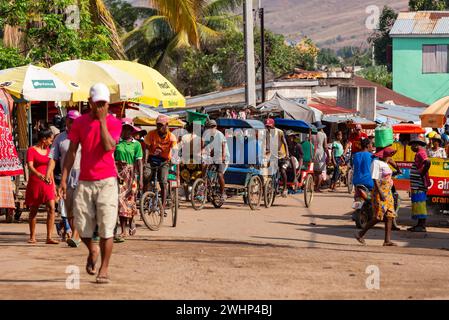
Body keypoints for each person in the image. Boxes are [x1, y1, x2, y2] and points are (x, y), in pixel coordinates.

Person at [60, 83, 122, 284]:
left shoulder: (114, 123)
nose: (101, 107)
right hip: (85, 181)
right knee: (81, 224)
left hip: (107, 181)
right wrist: (63, 177)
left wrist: (103, 122)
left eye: (104, 103)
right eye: (97, 104)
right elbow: (71, 152)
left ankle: (104, 269)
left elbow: (107, 146)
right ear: (90, 103)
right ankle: (92, 249)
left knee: (106, 227)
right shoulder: (79, 123)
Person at [46, 110, 82, 247]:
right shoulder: (59, 138)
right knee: (69, 209)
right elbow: (53, 158)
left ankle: (75, 235)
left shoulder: (84, 136)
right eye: (71, 121)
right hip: (66, 177)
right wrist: (48, 173)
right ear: (66, 121)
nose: (73, 124)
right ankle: (76, 236)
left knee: (79, 206)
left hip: (82, 175)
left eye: (76, 121)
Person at [356, 147, 398, 246]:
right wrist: (380, 192)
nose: (390, 158)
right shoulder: (376, 163)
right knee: (378, 216)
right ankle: (360, 234)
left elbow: (387, 176)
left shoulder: (385, 164)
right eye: (389, 155)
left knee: (390, 216)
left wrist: (396, 170)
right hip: (380, 192)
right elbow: (375, 179)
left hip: (388, 192)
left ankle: (387, 240)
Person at [25, 128, 58, 244]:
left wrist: (53, 185)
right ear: (44, 139)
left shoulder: (50, 151)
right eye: (50, 139)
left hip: (48, 182)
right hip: (36, 182)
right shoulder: (31, 150)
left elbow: (51, 168)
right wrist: (39, 174)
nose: (51, 142)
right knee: (34, 209)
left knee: (52, 208)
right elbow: (30, 166)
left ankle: (49, 237)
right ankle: (32, 236)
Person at [114, 119, 144, 242]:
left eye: (128, 128)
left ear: (131, 130)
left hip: (131, 175)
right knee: (120, 201)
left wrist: (140, 178)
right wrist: (117, 164)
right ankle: (123, 231)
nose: (126, 131)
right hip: (118, 174)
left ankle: (131, 220)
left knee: (130, 201)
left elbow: (139, 162)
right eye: (124, 128)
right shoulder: (116, 142)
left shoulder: (136, 145)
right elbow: (110, 158)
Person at [144, 115, 178, 213]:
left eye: (161, 125)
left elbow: (175, 150)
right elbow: (146, 148)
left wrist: (174, 160)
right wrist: (145, 161)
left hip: (164, 161)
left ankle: (162, 206)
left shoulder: (171, 136)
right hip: (152, 160)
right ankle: (145, 200)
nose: (159, 127)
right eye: (158, 125)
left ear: (167, 125)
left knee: (163, 182)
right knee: (146, 176)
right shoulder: (151, 134)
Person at [408, 134, 431, 232]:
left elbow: (428, 162)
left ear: (416, 145)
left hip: (419, 185)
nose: (411, 148)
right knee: (418, 204)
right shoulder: (420, 153)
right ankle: (419, 225)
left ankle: (421, 226)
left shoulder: (421, 153)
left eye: (412, 145)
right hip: (417, 185)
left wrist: (422, 173)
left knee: (420, 204)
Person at [203, 119, 230, 200]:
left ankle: (222, 193)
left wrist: (222, 157)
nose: (211, 128)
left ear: (216, 127)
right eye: (209, 127)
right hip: (214, 156)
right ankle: (206, 188)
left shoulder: (219, 134)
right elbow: (206, 147)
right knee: (204, 167)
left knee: (219, 174)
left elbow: (223, 146)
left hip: (224, 156)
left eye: (213, 127)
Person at [265, 119, 290, 197]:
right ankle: (269, 186)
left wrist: (287, 154)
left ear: (273, 126)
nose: (268, 128)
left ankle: (285, 188)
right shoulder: (266, 133)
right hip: (272, 155)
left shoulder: (279, 132)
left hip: (282, 155)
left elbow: (285, 143)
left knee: (282, 170)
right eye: (267, 126)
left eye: (269, 126)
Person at [312, 121, 328, 192]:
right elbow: (325, 146)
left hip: (312, 152)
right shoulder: (323, 135)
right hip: (320, 153)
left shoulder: (312, 134)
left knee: (314, 171)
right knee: (320, 172)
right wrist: (329, 156)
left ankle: (314, 186)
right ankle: (317, 188)